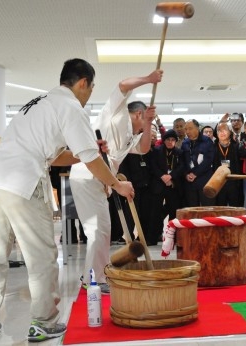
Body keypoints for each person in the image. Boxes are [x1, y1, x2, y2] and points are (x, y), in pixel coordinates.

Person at [0, 58, 134, 342]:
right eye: (91, 88)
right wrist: (116, 184)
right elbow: (92, 159)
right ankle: (44, 322)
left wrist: (85, 150)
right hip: (22, 183)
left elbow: (57, 155)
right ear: (82, 82)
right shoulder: (71, 106)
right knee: (42, 256)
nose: (89, 94)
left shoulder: (36, 102)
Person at [69, 70, 163, 293]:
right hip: (87, 174)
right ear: (137, 113)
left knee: (102, 230)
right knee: (98, 230)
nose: (144, 130)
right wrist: (148, 79)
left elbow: (145, 148)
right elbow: (123, 84)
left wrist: (148, 124)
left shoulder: (133, 135)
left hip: (103, 180)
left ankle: (92, 275)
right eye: (143, 121)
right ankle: (95, 279)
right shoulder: (115, 113)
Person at [149, 129, 185, 238]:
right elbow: (153, 166)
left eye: (173, 140)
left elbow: (182, 167)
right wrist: (162, 176)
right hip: (159, 184)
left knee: (173, 210)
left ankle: (171, 235)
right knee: (156, 210)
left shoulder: (179, 152)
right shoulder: (156, 151)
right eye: (168, 139)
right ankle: (155, 235)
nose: (170, 142)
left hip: (173, 185)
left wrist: (171, 176)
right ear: (164, 140)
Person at [182, 119, 215, 207]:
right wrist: (186, 174)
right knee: (192, 210)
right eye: (186, 129)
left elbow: (208, 160)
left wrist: (195, 173)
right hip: (189, 182)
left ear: (197, 128)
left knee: (207, 209)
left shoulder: (207, 141)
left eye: (190, 128)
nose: (187, 131)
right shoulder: (185, 143)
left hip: (204, 180)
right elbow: (183, 162)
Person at [212, 122, 242, 206]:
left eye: (224, 130)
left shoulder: (236, 146)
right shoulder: (213, 147)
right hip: (219, 182)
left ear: (230, 132)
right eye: (219, 130)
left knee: (235, 208)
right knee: (220, 208)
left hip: (234, 182)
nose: (222, 133)